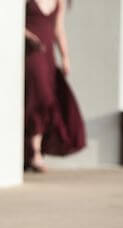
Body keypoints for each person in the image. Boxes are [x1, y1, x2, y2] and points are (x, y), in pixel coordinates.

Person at [25, 0, 85, 172]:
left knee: (46, 99)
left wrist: (65, 56)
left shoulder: (59, 2)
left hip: (47, 55)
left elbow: (59, 28)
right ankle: (33, 152)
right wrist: (27, 35)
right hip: (30, 53)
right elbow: (10, 21)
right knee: (36, 97)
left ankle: (35, 150)